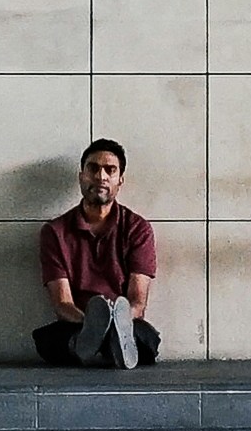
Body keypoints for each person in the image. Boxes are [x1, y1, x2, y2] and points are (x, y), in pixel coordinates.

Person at [32, 137, 159, 368]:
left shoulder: (138, 229)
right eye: (93, 168)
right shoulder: (55, 232)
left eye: (110, 170)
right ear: (81, 176)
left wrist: (115, 323)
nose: (101, 176)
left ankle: (97, 345)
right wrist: (92, 324)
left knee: (148, 340)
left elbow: (137, 303)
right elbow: (62, 303)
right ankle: (93, 345)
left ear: (120, 180)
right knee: (48, 340)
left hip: (124, 322)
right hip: (78, 322)